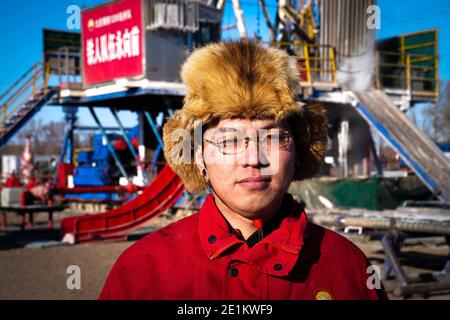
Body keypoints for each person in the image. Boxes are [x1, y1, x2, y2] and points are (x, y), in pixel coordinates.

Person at [99, 40, 388, 300]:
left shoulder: (346, 269)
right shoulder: (143, 271)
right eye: (229, 140)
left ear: (299, 152)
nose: (253, 158)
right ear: (199, 158)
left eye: (273, 137)